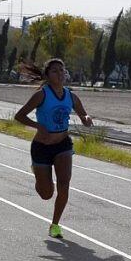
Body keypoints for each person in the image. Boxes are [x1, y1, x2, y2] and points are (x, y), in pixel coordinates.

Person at [14, 58, 94, 238]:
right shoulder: (41, 95)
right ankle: (38, 173)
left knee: (64, 184)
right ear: (48, 76)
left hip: (62, 145)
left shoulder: (71, 96)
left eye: (62, 70)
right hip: (42, 147)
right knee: (46, 194)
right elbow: (19, 116)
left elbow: (83, 114)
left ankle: (55, 225)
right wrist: (37, 126)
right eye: (55, 71)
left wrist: (86, 119)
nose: (60, 74)